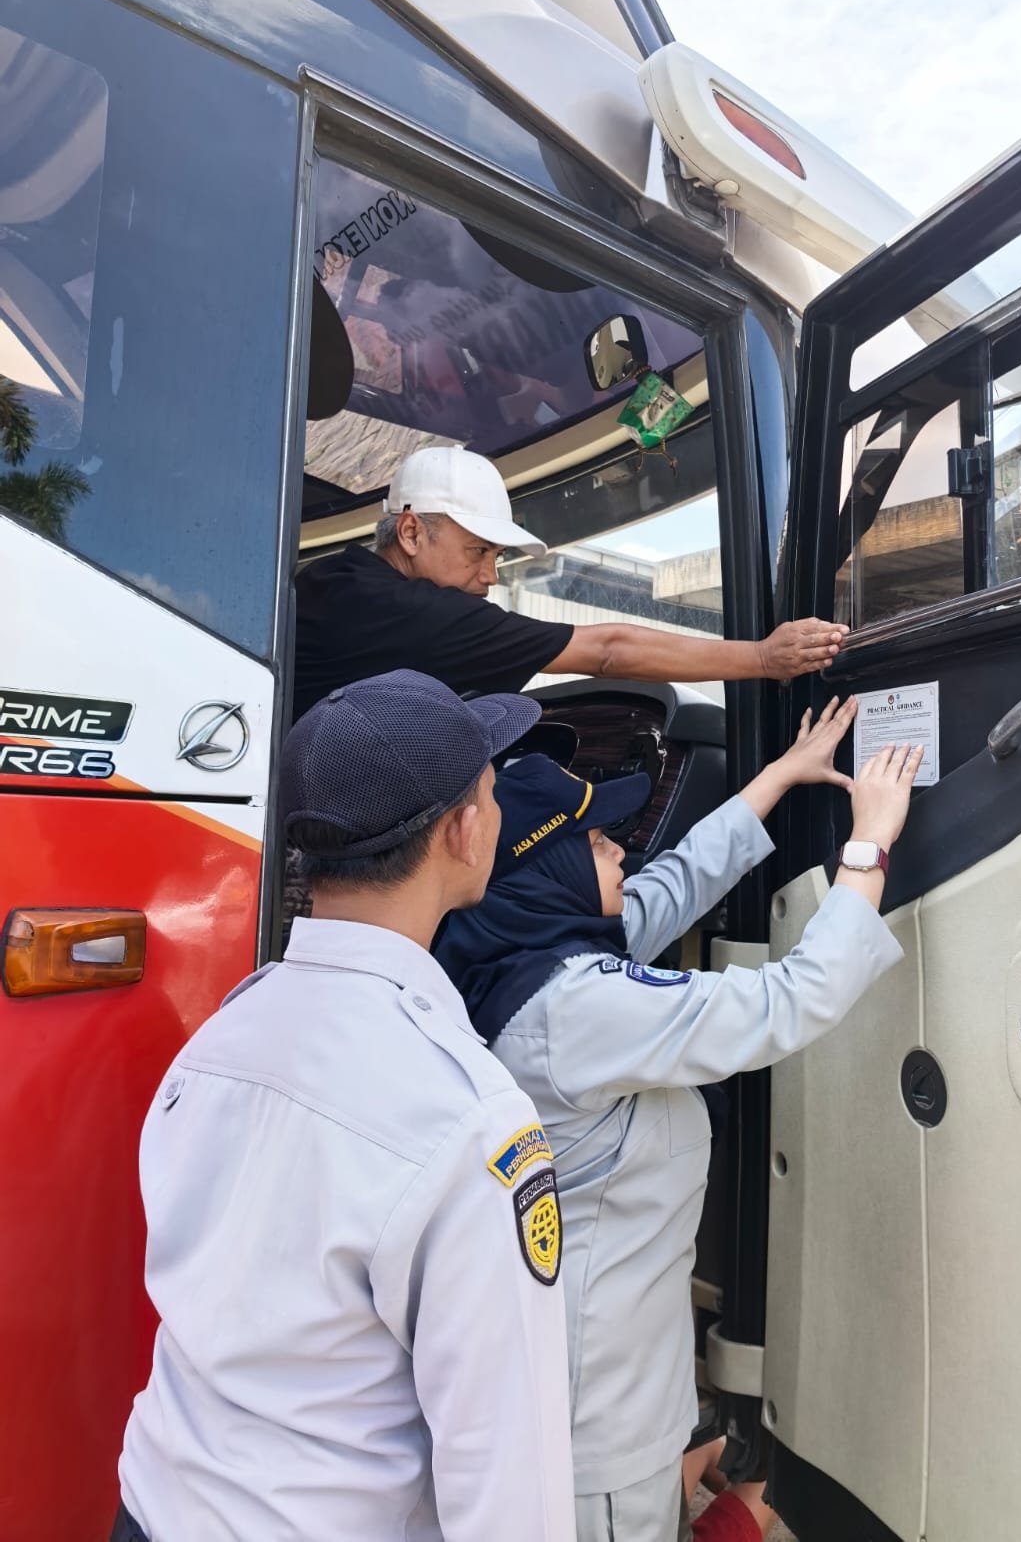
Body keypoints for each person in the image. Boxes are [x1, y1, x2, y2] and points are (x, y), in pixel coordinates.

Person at [435, 700, 921, 1542]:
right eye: (594, 840)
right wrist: (868, 843)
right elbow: (790, 1001)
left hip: (581, 1402)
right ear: (536, 872)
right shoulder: (575, 1008)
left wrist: (781, 773)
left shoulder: (512, 959)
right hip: (602, 1444)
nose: (622, 848)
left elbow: (673, 883)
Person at [114, 671, 576, 1542]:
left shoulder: (221, 1035)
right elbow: (511, 1479)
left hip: (150, 1509)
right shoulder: (469, 1118)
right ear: (464, 830)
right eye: (492, 786)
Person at [292, 445, 847, 719]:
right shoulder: (415, 613)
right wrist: (765, 659)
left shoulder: (328, 578)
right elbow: (607, 652)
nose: (487, 579)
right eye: (477, 552)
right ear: (411, 532)